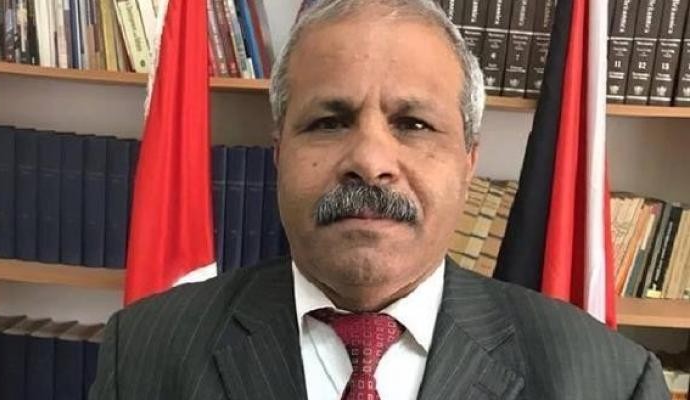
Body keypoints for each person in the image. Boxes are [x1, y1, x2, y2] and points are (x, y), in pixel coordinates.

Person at [89, 1, 669, 399]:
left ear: (468, 160)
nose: (369, 160)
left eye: (413, 124)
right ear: (279, 152)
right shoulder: (144, 353)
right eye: (329, 122)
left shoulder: (608, 380)